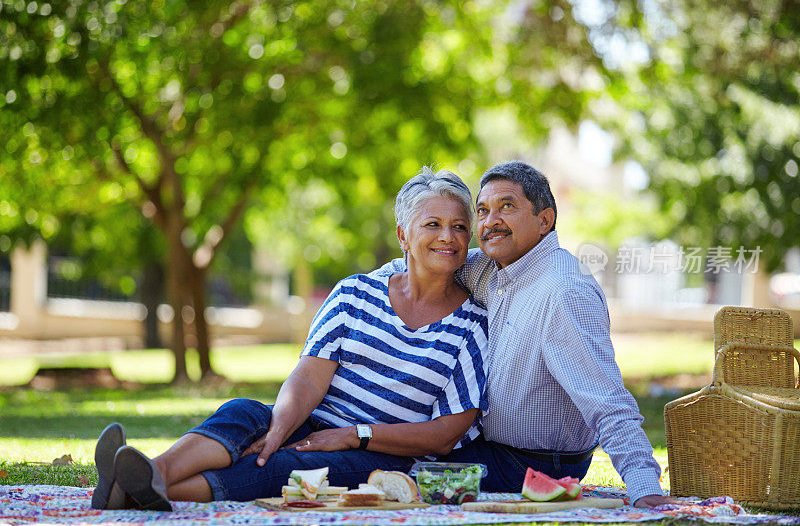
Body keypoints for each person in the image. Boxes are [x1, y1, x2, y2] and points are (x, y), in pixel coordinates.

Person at [91, 168, 488, 510]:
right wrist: (280, 425)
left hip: (384, 455)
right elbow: (309, 377)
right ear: (403, 234)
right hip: (314, 424)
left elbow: (444, 434)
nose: (447, 237)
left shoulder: (473, 325)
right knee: (246, 414)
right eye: (432, 225)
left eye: (458, 228)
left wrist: (355, 435)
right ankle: (153, 471)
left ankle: (129, 490)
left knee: (284, 468)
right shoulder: (355, 293)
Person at [378, 161, 682, 508]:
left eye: (506, 207)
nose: (491, 221)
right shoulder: (491, 270)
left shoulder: (564, 291)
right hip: (490, 448)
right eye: (483, 210)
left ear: (545, 221)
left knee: (390, 466)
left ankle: (302, 461)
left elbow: (607, 400)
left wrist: (645, 489)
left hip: (536, 463)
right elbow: (421, 260)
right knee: (388, 449)